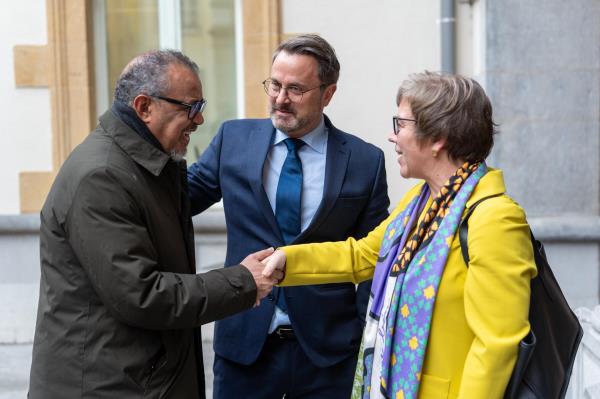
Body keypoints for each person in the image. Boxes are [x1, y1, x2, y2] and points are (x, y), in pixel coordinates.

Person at [264, 72, 537, 399]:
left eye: (401, 124)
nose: (393, 137)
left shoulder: (495, 219)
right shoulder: (421, 200)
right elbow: (364, 255)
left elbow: (497, 343)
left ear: (438, 138)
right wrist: (286, 260)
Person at [28, 50, 281, 399]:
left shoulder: (151, 165)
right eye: (190, 107)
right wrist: (242, 281)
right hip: (107, 387)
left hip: (139, 380)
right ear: (145, 107)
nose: (200, 119)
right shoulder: (101, 176)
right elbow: (142, 295)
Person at [187, 34, 390, 398]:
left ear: (328, 94)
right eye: (275, 85)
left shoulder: (364, 161)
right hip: (245, 347)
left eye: (295, 89)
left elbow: (376, 255)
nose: (280, 99)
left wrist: (359, 331)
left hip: (328, 355)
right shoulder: (234, 139)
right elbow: (178, 200)